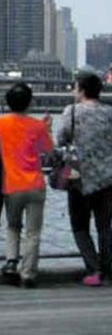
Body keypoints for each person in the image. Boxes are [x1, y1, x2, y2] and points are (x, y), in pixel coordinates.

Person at [0, 82, 53, 288]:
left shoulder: (0, 122)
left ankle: (11, 262)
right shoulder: (37, 126)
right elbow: (48, 150)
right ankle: (28, 274)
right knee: (33, 233)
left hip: (12, 185)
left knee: (13, 227)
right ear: (29, 103)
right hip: (35, 185)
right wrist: (47, 129)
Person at [58, 70, 112, 287]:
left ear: (81, 90)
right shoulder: (109, 113)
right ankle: (108, 269)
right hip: (107, 177)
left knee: (80, 226)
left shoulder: (71, 112)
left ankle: (93, 269)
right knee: (105, 226)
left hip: (78, 177)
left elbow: (61, 139)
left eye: (75, 87)